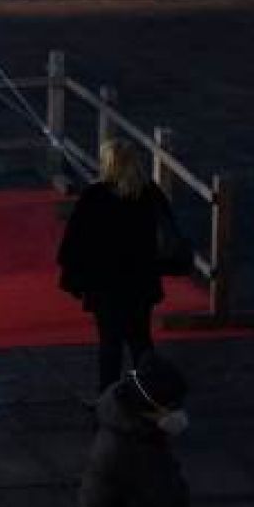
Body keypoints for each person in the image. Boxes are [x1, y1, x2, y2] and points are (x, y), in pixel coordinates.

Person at [57, 138, 166, 395]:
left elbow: (75, 242)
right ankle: (151, 392)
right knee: (140, 339)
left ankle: (109, 396)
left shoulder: (95, 197)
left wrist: (74, 278)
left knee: (110, 342)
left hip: (106, 284)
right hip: (140, 280)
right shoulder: (149, 193)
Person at [80, 354, 190, 507]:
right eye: (172, 407)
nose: (178, 414)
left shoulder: (147, 431)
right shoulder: (113, 451)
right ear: (150, 407)